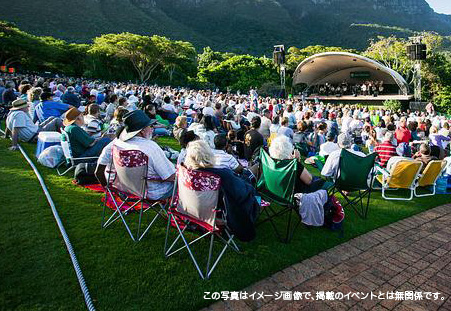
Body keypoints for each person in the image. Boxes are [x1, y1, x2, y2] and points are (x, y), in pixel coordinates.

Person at [184, 140, 260, 242]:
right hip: (215, 214)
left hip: (190, 209)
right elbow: (243, 193)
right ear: (209, 154)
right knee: (254, 196)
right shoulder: (222, 175)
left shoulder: (186, 173)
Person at [95, 110, 175, 200]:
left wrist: (107, 188)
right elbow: (170, 176)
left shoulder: (115, 144)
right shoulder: (150, 147)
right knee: (180, 180)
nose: (152, 129)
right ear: (142, 131)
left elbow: (98, 171)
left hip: (121, 189)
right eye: (150, 126)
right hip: (150, 193)